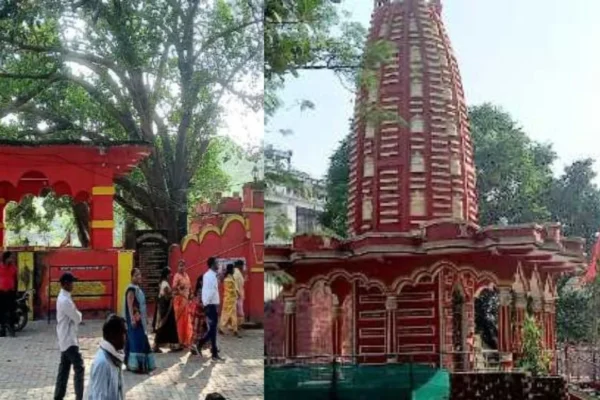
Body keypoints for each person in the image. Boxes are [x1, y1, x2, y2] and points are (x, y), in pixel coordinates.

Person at [54, 272, 84, 400]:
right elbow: (77, 317)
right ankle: (79, 397)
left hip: (65, 338)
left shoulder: (64, 297)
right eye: (71, 282)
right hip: (69, 339)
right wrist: (79, 315)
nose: (73, 285)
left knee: (64, 369)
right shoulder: (65, 300)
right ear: (65, 284)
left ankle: (58, 396)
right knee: (79, 367)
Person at [124, 268, 156, 373]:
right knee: (137, 341)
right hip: (135, 321)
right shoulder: (131, 290)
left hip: (140, 319)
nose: (139, 277)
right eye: (136, 275)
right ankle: (136, 365)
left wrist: (145, 317)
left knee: (136, 340)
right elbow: (130, 306)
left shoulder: (137, 288)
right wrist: (133, 320)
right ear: (131, 276)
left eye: (140, 275)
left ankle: (133, 364)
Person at [87, 314, 127, 400]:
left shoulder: (115, 357)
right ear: (113, 335)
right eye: (123, 333)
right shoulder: (103, 363)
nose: (125, 337)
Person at [194, 257, 223, 360]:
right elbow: (209, 291)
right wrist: (208, 304)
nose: (218, 264)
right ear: (212, 265)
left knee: (213, 329)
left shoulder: (212, 275)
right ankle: (200, 343)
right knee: (213, 329)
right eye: (216, 263)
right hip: (210, 305)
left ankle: (214, 353)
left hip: (212, 304)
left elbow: (213, 290)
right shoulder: (209, 276)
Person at [152, 267, 180, 352]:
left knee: (165, 327)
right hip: (166, 308)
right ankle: (169, 345)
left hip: (164, 307)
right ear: (167, 274)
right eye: (170, 273)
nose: (171, 275)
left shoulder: (162, 282)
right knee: (165, 326)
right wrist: (174, 294)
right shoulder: (165, 284)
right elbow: (167, 296)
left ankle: (160, 345)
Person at [172, 260, 193, 349]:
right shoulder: (177, 276)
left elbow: (189, 286)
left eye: (183, 266)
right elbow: (174, 287)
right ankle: (178, 341)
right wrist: (180, 289)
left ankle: (185, 341)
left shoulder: (186, 275)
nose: (182, 267)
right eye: (180, 266)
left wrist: (191, 294)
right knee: (179, 321)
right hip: (179, 301)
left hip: (186, 301)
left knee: (186, 320)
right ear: (178, 267)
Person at [219, 264, 240, 337]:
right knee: (227, 314)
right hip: (229, 299)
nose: (234, 270)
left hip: (231, 299)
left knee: (233, 314)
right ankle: (222, 327)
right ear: (231, 270)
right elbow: (231, 290)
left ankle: (235, 329)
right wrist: (236, 293)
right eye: (233, 269)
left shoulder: (230, 278)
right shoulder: (228, 279)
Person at [0, 251, 17, 337]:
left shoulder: (13, 267)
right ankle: (2, 329)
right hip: (1, 291)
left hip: (11, 291)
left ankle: (12, 328)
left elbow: (15, 277)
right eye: (10, 257)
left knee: (12, 311)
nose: (12, 259)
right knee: (1, 311)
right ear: (6, 258)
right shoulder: (0, 266)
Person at [190, 271, 207, 350]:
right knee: (197, 330)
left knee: (202, 330)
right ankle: (194, 345)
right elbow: (198, 302)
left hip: (201, 313)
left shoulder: (202, 290)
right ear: (201, 282)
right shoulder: (200, 291)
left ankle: (197, 345)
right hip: (199, 313)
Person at [233, 260, 245, 324]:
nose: (243, 267)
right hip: (238, 294)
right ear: (240, 266)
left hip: (239, 293)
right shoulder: (236, 273)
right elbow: (234, 283)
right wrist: (237, 292)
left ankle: (237, 324)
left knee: (238, 309)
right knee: (239, 309)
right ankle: (237, 324)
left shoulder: (237, 272)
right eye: (242, 265)